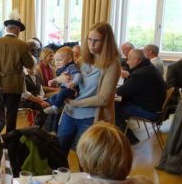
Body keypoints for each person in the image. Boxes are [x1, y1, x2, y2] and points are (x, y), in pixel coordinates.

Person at [56, 22, 121, 158]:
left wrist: (74, 103)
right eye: (89, 40)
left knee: (85, 158)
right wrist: (61, 79)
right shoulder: (82, 60)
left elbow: (104, 99)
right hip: (69, 113)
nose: (91, 45)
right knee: (58, 153)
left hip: (90, 117)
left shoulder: (112, 64)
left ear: (106, 42)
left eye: (96, 41)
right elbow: (68, 80)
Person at [0, 10, 34, 133]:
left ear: (7, 28)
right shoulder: (22, 45)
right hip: (14, 86)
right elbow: (29, 64)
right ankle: (9, 141)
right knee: (11, 115)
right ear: (18, 30)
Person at [115, 49, 166, 144]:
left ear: (137, 60)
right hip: (155, 107)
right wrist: (129, 77)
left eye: (129, 59)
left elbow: (121, 91)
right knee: (118, 105)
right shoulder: (148, 68)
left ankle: (129, 140)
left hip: (152, 112)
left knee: (114, 109)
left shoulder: (140, 74)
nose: (127, 61)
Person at [44, 47, 81, 115]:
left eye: (60, 60)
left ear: (69, 59)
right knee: (53, 97)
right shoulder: (63, 68)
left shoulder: (72, 66)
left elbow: (78, 75)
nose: (57, 62)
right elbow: (60, 78)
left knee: (62, 93)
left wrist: (73, 82)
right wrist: (52, 81)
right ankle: (56, 107)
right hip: (64, 89)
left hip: (71, 89)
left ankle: (56, 107)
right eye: (55, 60)